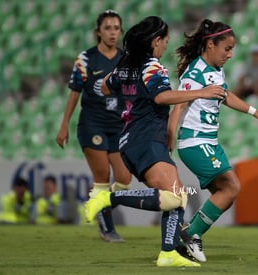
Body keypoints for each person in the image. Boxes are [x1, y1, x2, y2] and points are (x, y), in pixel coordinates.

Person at [84, 16, 227, 267]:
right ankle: (107, 199)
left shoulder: (126, 65)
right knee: (174, 197)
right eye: (165, 42)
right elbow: (161, 97)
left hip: (131, 140)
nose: (165, 47)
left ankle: (167, 253)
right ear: (155, 41)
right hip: (146, 137)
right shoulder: (152, 66)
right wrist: (201, 92)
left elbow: (105, 87)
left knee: (177, 196)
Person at [168, 19, 258, 263]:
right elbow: (178, 105)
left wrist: (255, 112)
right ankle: (192, 234)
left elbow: (225, 95)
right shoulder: (196, 72)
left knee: (224, 195)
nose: (230, 54)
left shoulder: (216, 70)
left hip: (209, 142)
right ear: (210, 45)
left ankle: (188, 233)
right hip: (195, 142)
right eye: (226, 49)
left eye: (231, 49)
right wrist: (169, 137)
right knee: (232, 188)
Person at [56, 10, 132, 242]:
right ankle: (107, 227)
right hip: (93, 123)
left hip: (117, 125)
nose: (112, 32)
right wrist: (64, 125)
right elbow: (74, 93)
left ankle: (98, 203)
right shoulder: (86, 58)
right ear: (98, 31)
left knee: (124, 179)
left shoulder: (125, 59)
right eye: (107, 28)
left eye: (116, 28)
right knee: (102, 175)